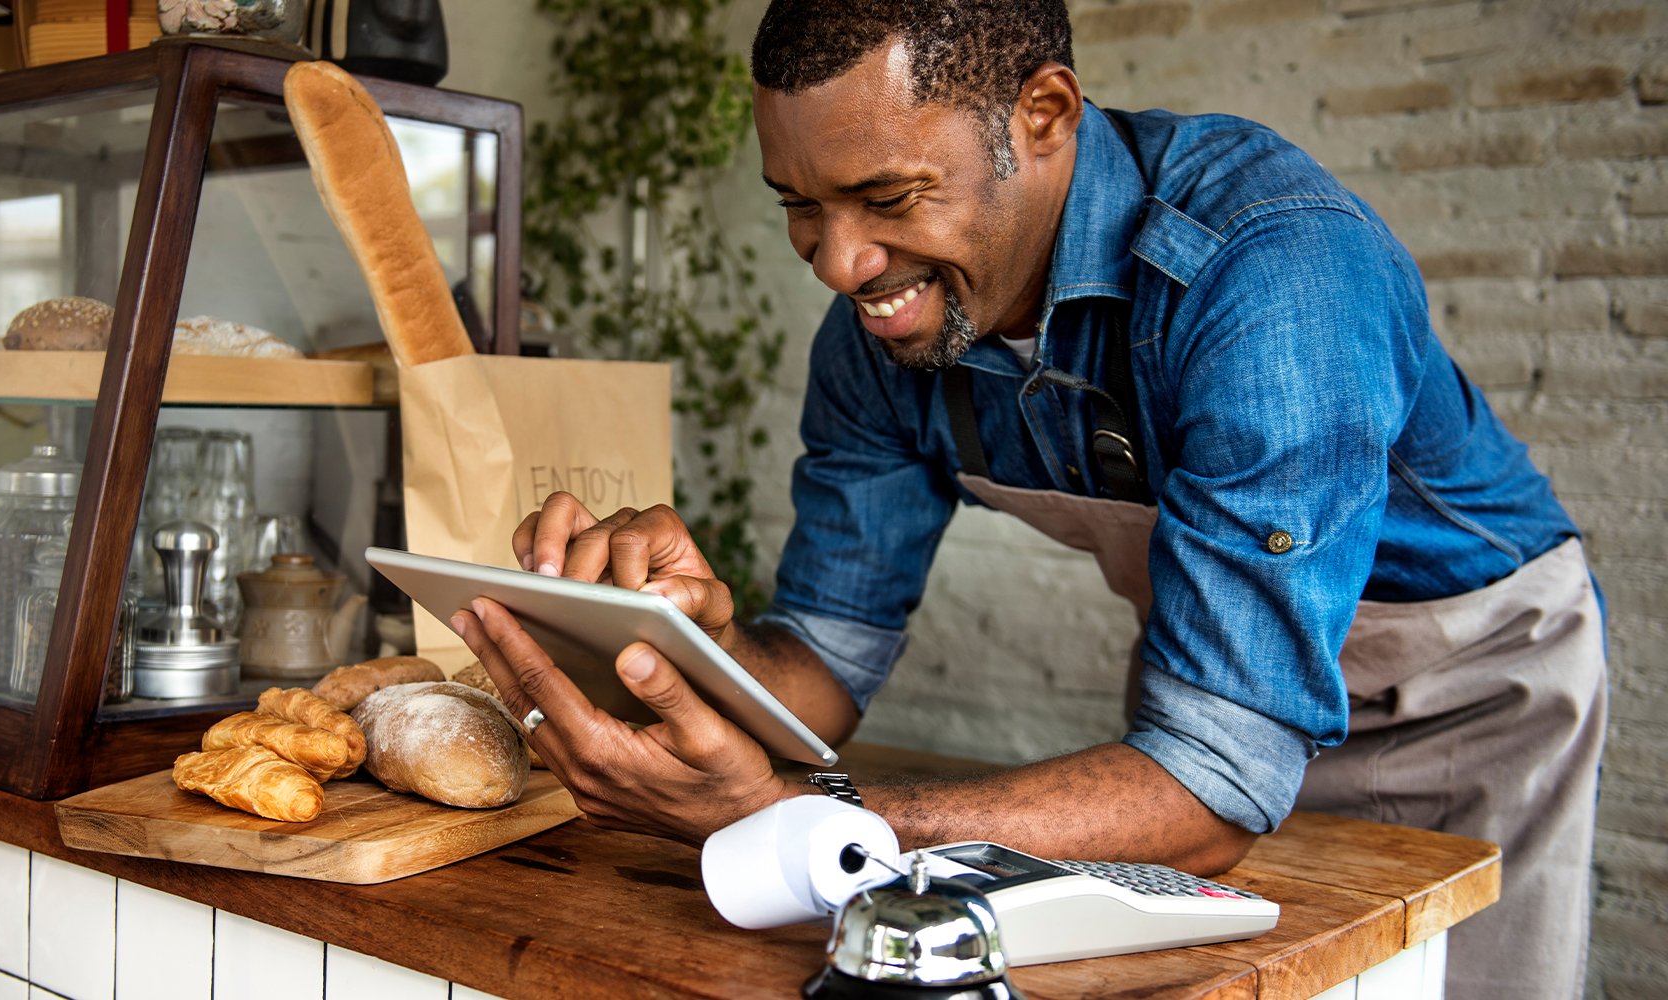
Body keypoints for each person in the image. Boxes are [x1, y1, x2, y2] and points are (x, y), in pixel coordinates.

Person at [449, 2, 1607, 997]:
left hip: (1466, 682)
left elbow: (1211, 782)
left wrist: (820, 824)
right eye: (798, 204)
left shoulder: (1270, 274)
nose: (838, 263)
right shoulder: (881, 330)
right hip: (1208, 693)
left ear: (1042, 115)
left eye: (886, 195)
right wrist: (674, 650)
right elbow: (824, 662)